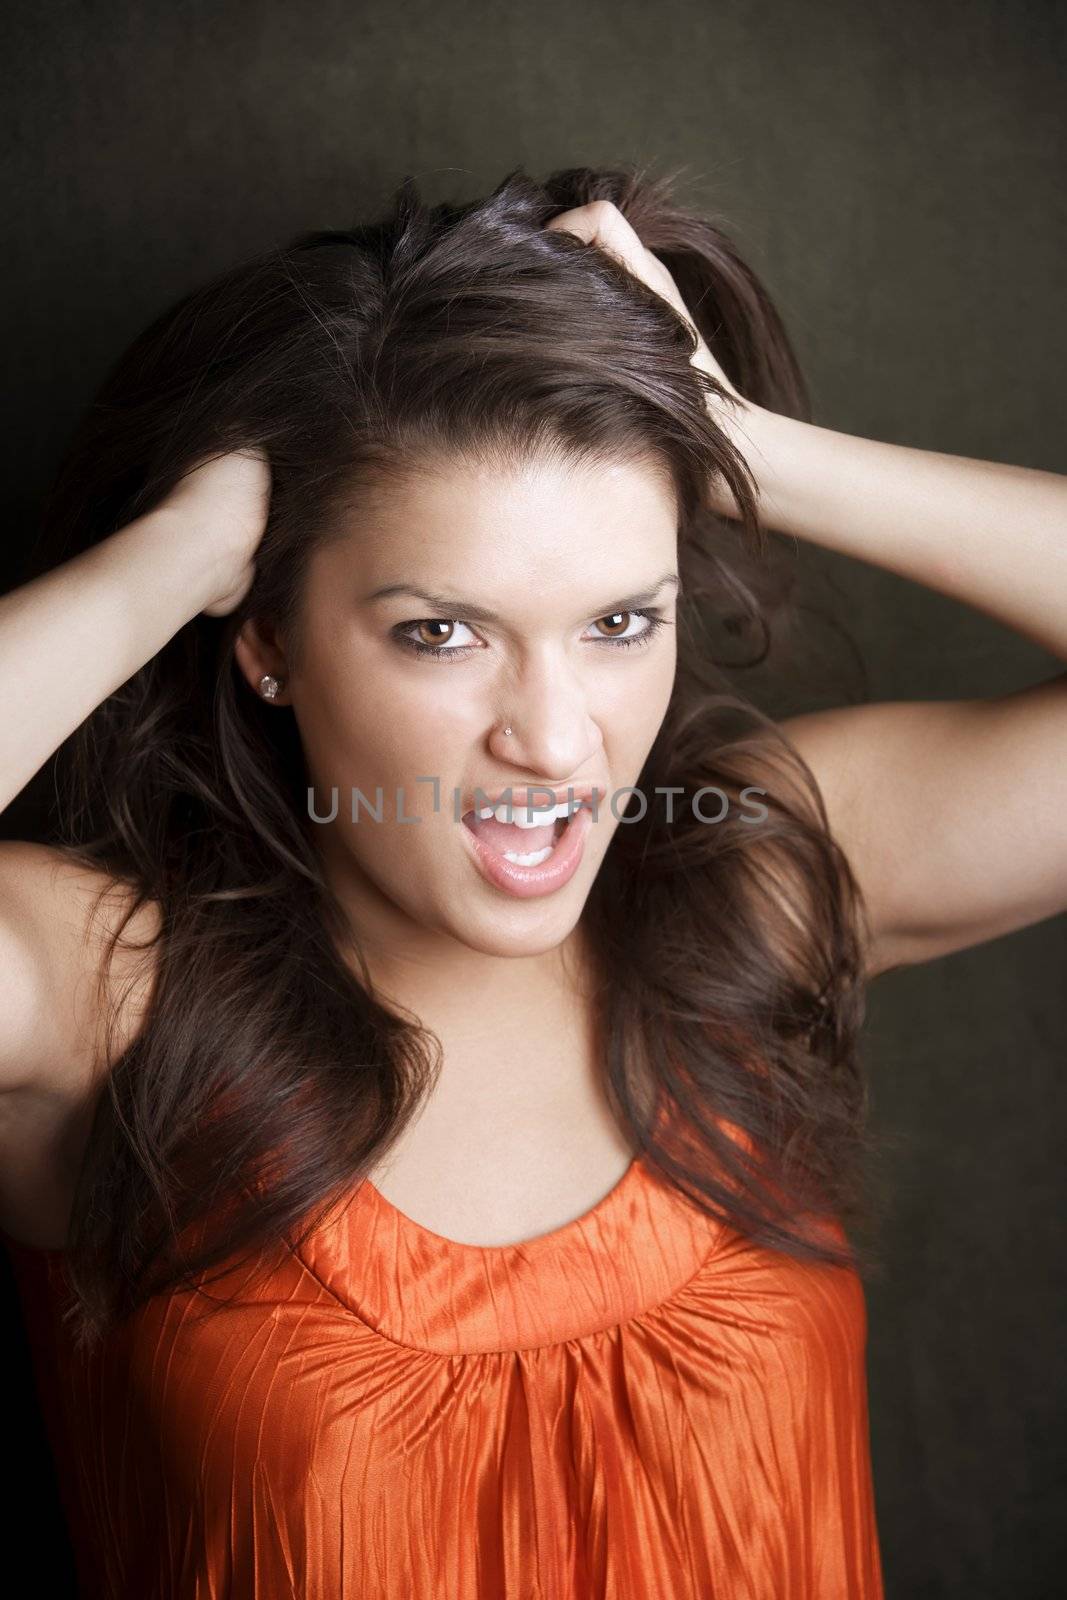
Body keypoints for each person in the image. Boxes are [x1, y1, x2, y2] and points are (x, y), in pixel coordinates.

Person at [0, 163, 1063, 1600]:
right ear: (267, 640)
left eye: (621, 620)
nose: (558, 739)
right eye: (442, 633)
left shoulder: (754, 884)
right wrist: (180, 554)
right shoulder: (102, 996)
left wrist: (740, 442)